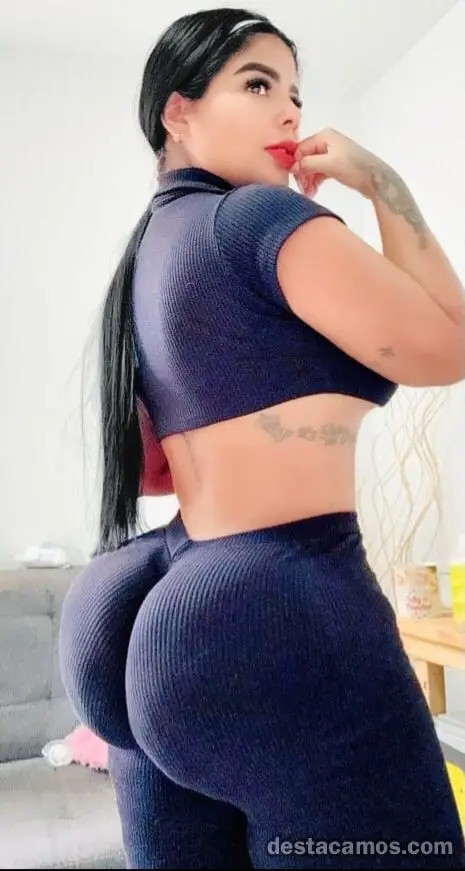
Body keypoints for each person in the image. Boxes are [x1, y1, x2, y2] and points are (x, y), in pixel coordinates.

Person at [59, 7, 465, 869]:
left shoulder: (145, 259)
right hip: (273, 610)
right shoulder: (252, 220)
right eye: (256, 83)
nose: (289, 111)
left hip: (144, 602)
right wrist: (380, 180)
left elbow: (152, 468)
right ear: (177, 111)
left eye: (294, 93)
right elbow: (447, 345)